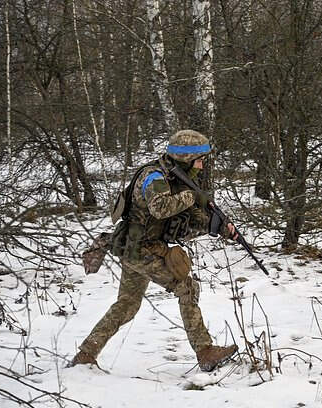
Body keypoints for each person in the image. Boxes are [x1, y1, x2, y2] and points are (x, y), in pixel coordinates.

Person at [70, 129, 238, 372]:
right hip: (141, 250)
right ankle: (205, 352)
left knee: (126, 305)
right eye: (200, 159)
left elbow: (190, 216)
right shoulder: (154, 177)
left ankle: (86, 354)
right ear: (185, 158)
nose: (203, 164)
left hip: (136, 249)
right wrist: (192, 196)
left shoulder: (176, 176)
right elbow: (160, 208)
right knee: (187, 288)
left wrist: (220, 226)